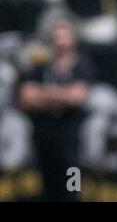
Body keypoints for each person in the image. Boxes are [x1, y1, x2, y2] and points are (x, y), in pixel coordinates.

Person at [17, 17, 95, 201]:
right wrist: (61, 96)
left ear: (73, 38)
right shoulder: (41, 65)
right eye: (56, 34)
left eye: (64, 34)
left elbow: (78, 97)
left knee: (71, 189)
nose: (59, 39)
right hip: (44, 140)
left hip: (71, 141)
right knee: (46, 189)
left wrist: (44, 94)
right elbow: (26, 96)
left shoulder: (81, 64)